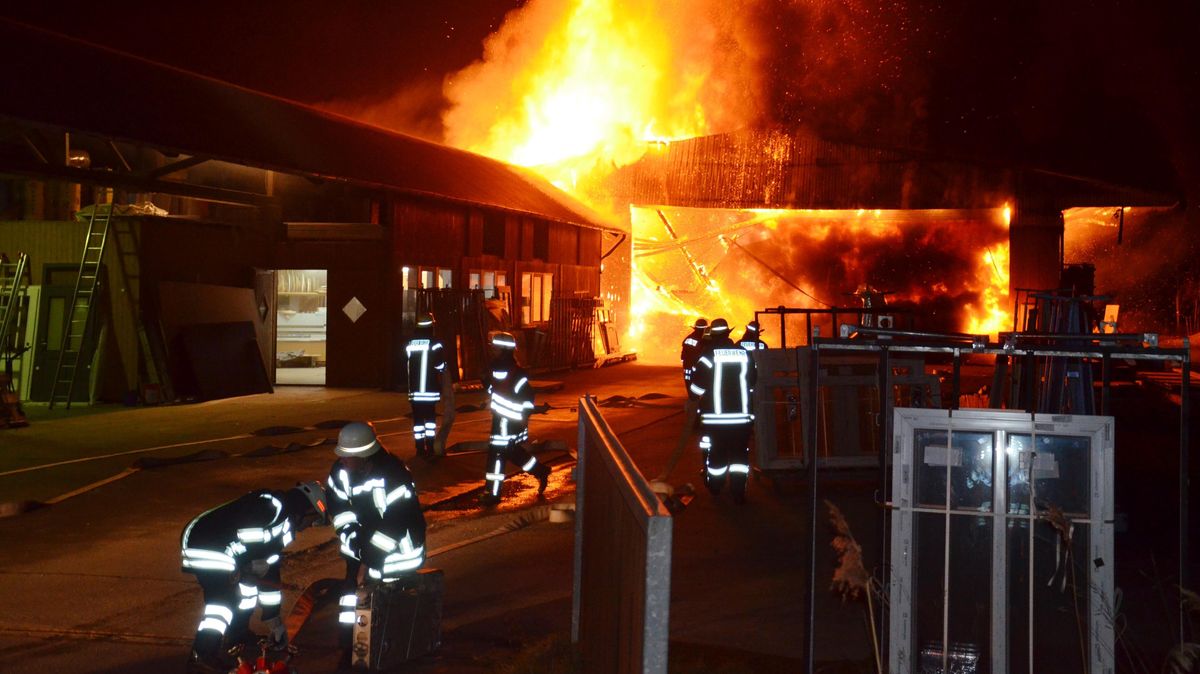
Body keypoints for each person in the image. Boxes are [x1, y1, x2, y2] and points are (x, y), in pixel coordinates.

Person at [180, 482, 328, 673]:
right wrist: (245, 564)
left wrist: (274, 622)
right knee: (222, 603)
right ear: (306, 508)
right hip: (207, 545)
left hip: (225, 551)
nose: (309, 526)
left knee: (247, 593)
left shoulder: (283, 528)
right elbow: (244, 533)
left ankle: (238, 635)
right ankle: (202, 655)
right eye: (314, 519)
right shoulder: (272, 506)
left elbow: (271, 574)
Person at [326, 421, 427, 656]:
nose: (342, 460)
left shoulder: (394, 475)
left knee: (388, 602)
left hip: (398, 554)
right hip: (363, 548)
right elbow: (339, 510)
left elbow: (396, 524)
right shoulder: (340, 472)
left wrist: (369, 560)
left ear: (365, 457)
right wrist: (355, 543)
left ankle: (390, 645)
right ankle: (351, 645)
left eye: (347, 456)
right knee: (351, 598)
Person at [689, 317, 758, 504]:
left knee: (717, 454)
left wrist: (695, 397)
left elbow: (696, 389)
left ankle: (716, 487)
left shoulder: (707, 356)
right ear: (728, 334)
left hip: (715, 419)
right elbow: (752, 381)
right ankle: (738, 492)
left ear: (712, 335)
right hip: (742, 418)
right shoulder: (744, 354)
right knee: (740, 455)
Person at [480, 331, 550, 505]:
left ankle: (493, 495)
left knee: (497, 456)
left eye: (495, 348)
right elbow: (495, 392)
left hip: (508, 423)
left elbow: (527, 399)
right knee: (512, 454)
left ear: (504, 350)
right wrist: (486, 383)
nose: (492, 351)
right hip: (500, 421)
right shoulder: (497, 371)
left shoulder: (516, 374)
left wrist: (522, 418)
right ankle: (541, 471)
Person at [405, 313, 447, 459]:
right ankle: (430, 446)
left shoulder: (410, 342)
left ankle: (419, 449)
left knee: (417, 421)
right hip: (430, 391)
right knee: (430, 421)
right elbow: (440, 365)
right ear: (431, 325)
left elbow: (406, 361)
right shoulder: (435, 343)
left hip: (415, 391)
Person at [679, 317, 709, 398]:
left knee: (690, 387)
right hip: (696, 368)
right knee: (698, 387)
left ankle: (692, 400)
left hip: (687, 368)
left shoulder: (688, 338)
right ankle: (696, 403)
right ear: (705, 328)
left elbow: (683, 355)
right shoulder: (703, 340)